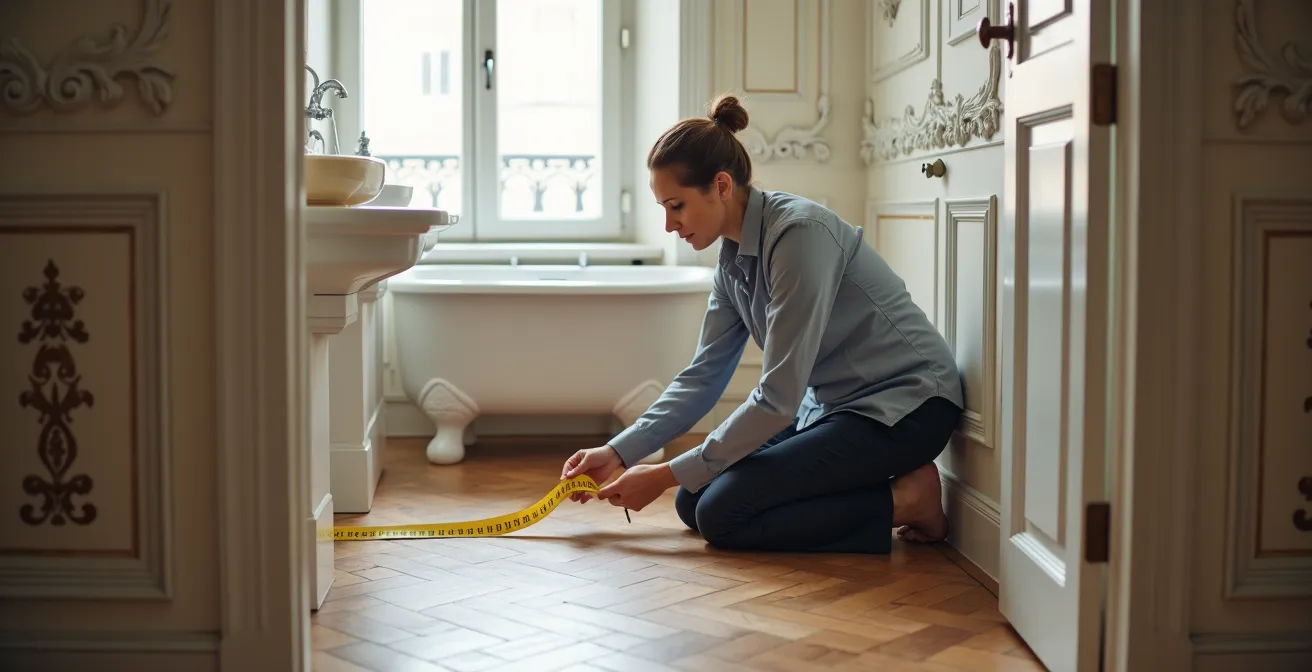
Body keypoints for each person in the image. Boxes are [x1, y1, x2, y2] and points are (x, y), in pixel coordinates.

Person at [559, 95, 965, 554]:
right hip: (831, 408)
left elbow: (777, 398)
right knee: (693, 500)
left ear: (721, 185)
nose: (670, 225)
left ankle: (908, 501)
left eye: (676, 206)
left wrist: (662, 474)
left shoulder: (799, 236)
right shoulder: (731, 262)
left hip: (907, 406)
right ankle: (878, 492)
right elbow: (702, 378)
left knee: (720, 513)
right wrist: (618, 452)